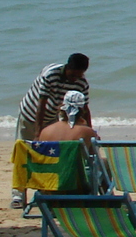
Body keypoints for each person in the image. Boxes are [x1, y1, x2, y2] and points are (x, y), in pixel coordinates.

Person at [13, 53, 90, 208]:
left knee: (51, 156)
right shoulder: (51, 74)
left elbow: (85, 108)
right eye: (73, 74)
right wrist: (37, 134)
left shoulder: (81, 83)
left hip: (53, 117)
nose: (75, 78)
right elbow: (41, 104)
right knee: (26, 154)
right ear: (67, 67)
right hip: (30, 115)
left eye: (80, 75)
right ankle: (18, 196)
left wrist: (88, 129)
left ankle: (47, 190)